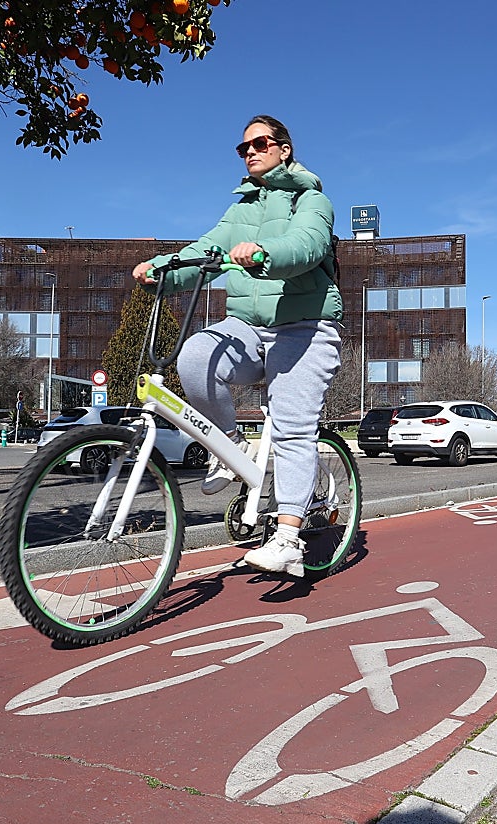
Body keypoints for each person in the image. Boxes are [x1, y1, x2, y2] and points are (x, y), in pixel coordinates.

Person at [132, 115, 342, 578]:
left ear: (284, 149)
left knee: (291, 423)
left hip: (304, 327)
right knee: (195, 357)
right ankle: (229, 446)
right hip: (248, 326)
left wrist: (265, 256)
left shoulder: (314, 201)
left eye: (261, 143)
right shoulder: (242, 208)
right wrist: (161, 270)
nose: (250, 151)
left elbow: (305, 245)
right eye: (243, 147)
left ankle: (288, 537)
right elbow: (204, 251)